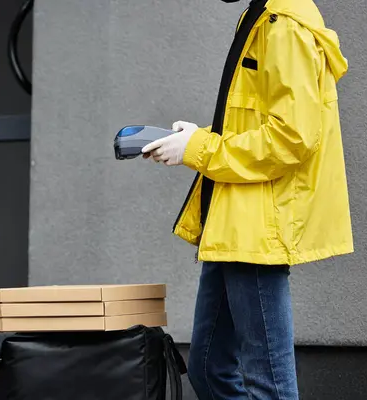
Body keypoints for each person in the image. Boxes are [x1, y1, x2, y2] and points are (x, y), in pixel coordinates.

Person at [141, 0, 353, 399]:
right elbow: (255, 122)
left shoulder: (285, 25)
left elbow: (293, 137)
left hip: (258, 231)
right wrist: (197, 137)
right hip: (233, 224)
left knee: (267, 386)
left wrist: (200, 148)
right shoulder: (257, 16)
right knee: (207, 369)